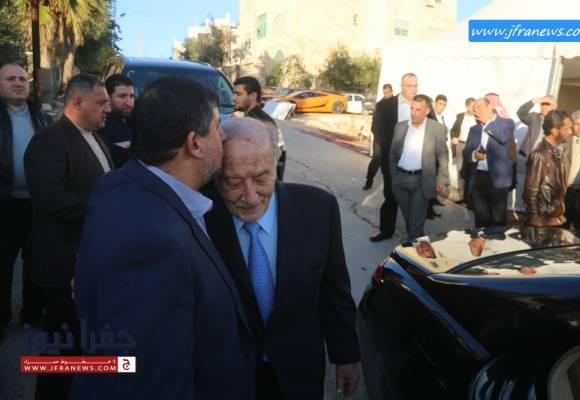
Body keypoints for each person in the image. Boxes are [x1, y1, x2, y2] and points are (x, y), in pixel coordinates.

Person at [70, 77, 255, 399]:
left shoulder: (118, 184)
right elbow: (149, 382)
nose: (224, 136)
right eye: (216, 128)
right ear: (194, 143)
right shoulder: (154, 244)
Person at [204, 117, 360, 400]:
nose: (250, 196)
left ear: (277, 165)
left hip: (299, 374)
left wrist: (346, 356)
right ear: (215, 176)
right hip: (228, 378)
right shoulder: (199, 217)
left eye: (261, 178)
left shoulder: (318, 209)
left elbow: (334, 291)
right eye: (233, 182)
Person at [24, 73, 114, 399]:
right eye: (101, 102)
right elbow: (48, 198)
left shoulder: (94, 136)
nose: (108, 109)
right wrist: (102, 206)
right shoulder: (50, 140)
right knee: (60, 351)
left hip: (87, 262)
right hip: (60, 266)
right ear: (77, 102)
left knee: (80, 345)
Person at [0, 63, 52, 334]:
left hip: (36, 203)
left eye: (22, 78)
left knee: (36, 262)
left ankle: (32, 314)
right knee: (3, 265)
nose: (18, 83)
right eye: (10, 79)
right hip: (5, 203)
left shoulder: (41, 116)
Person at [388, 94, 449, 241]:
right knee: (409, 218)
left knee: (415, 221)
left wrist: (441, 179)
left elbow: (443, 156)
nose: (413, 113)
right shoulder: (400, 126)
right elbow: (393, 154)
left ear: (427, 111)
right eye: (412, 108)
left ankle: (412, 249)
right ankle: (420, 244)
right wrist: (394, 177)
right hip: (400, 180)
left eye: (418, 110)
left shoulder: (437, 129)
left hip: (422, 181)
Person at [370, 72, 418, 242]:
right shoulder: (386, 105)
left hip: (415, 163)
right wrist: (388, 152)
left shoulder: (423, 104)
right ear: (402, 86)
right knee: (390, 197)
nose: (413, 89)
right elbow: (377, 129)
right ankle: (386, 231)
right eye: (409, 86)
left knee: (414, 203)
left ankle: (414, 237)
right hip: (392, 161)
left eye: (415, 85)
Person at [463, 98, 516, 228]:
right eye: (474, 108)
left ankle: (496, 242)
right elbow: (466, 152)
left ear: (489, 106)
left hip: (498, 180)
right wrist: (474, 155)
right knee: (481, 220)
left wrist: (487, 122)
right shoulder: (474, 129)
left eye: (479, 107)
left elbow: (503, 137)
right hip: (478, 178)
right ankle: (482, 240)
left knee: (498, 221)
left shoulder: (507, 123)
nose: (476, 110)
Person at [523, 110, 572, 227]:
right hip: (543, 221)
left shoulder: (555, 151)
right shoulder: (539, 155)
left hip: (553, 219)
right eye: (567, 128)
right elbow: (530, 190)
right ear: (554, 131)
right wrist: (535, 218)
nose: (571, 131)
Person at [233, 75, 286, 180]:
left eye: (238, 94)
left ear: (253, 96)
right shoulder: (249, 118)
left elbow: (270, 160)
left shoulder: (262, 123)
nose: (233, 98)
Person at [97, 74, 135, 168]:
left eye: (131, 96)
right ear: (108, 98)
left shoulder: (136, 121)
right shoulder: (100, 125)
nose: (129, 103)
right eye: (122, 96)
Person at [363, 83, 393, 190]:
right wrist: (377, 135)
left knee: (390, 162)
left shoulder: (396, 104)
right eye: (385, 93)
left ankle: (390, 187)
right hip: (380, 138)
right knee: (376, 159)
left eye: (388, 92)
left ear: (392, 91)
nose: (386, 94)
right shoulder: (380, 104)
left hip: (392, 139)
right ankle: (369, 181)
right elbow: (374, 122)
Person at [449, 97, 476, 201]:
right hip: (461, 145)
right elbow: (453, 130)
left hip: (473, 147)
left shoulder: (477, 117)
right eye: (472, 106)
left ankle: (470, 195)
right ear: (467, 106)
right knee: (460, 169)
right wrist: (453, 137)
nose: (474, 108)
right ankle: (461, 194)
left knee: (472, 170)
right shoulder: (460, 116)